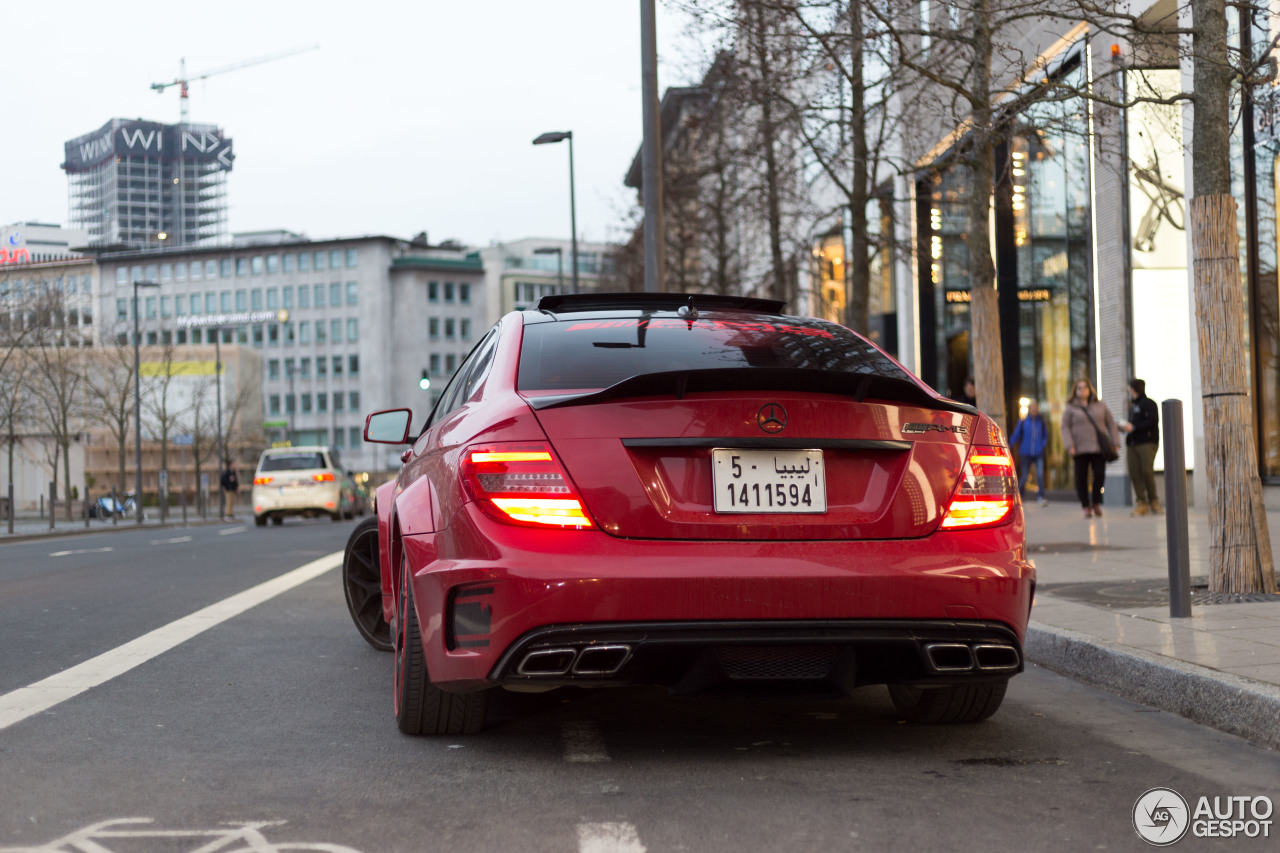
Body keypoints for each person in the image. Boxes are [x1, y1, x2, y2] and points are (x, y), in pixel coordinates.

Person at [1060, 377, 1120, 519]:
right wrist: (1070, 445)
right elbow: (1065, 427)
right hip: (1079, 448)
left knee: (1099, 475)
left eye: (1085, 387)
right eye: (1079, 388)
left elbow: (1111, 423)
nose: (1082, 390)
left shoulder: (1100, 405)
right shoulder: (1070, 408)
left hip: (1098, 448)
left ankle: (1096, 502)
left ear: (1090, 389)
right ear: (1075, 391)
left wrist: (1115, 442)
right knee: (1081, 478)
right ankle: (1086, 505)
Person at [1120, 377, 1162, 516]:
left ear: (1133, 389)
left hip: (1146, 442)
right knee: (1134, 472)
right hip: (1132, 443)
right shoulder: (1133, 405)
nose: (1129, 391)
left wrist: (1134, 427)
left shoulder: (1148, 404)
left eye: (1130, 389)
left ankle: (1153, 502)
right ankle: (1141, 503)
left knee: (1146, 471)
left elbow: (1152, 421)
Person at [1009, 400, 1049, 506]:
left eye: (1035, 408)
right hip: (1025, 452)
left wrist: (1042, 445)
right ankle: (1019, 495)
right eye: (1032, 408)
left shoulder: (1042, 422)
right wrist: (1010, 445)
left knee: (1040, 474)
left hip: (1038, 453)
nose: (1034, 410)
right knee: (1024, 476)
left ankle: (1041, 496)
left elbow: (1045, 436)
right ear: (1029, 409)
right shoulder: (1023, 422)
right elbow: (1016, 435)